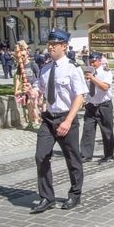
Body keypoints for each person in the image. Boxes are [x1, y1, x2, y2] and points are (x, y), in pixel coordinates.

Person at [28, 29, 88, 214]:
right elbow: (40, 89)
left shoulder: (73, 68)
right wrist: (33, 92)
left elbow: (80, 97)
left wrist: (68, 121)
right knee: (41, 156)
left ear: (64, 46)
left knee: (72, 159)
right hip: (49, 119)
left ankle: (75, 194)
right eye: (49, 44)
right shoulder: (45, 69)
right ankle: (47, 197)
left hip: (66, 118)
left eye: (54, 44)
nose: (50, 47)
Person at [80, 53, 114, 163]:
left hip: (104, 105)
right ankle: (86, 154)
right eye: (90, 62)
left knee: (107, 131)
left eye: (94, 61)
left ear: (100, 61)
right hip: (91, 105)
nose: (92, 64)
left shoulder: (106, 72)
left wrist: (92, 78)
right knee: (87, 130)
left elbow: (105, 87)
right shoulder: (86, 73)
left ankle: (108, 154)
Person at [14, 40, 41, 128]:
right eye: (20, 56)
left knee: (33, 104)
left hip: (34, 86)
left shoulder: (33, 64)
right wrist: (16, 90)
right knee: (28, 105)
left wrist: (36, 89)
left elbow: (39, 77)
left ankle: (36, 121)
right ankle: (30, 121)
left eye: (23, 55)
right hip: (25, 87)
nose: (22, 57)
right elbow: (18, 78)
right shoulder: (20, 66)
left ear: (27, 55)